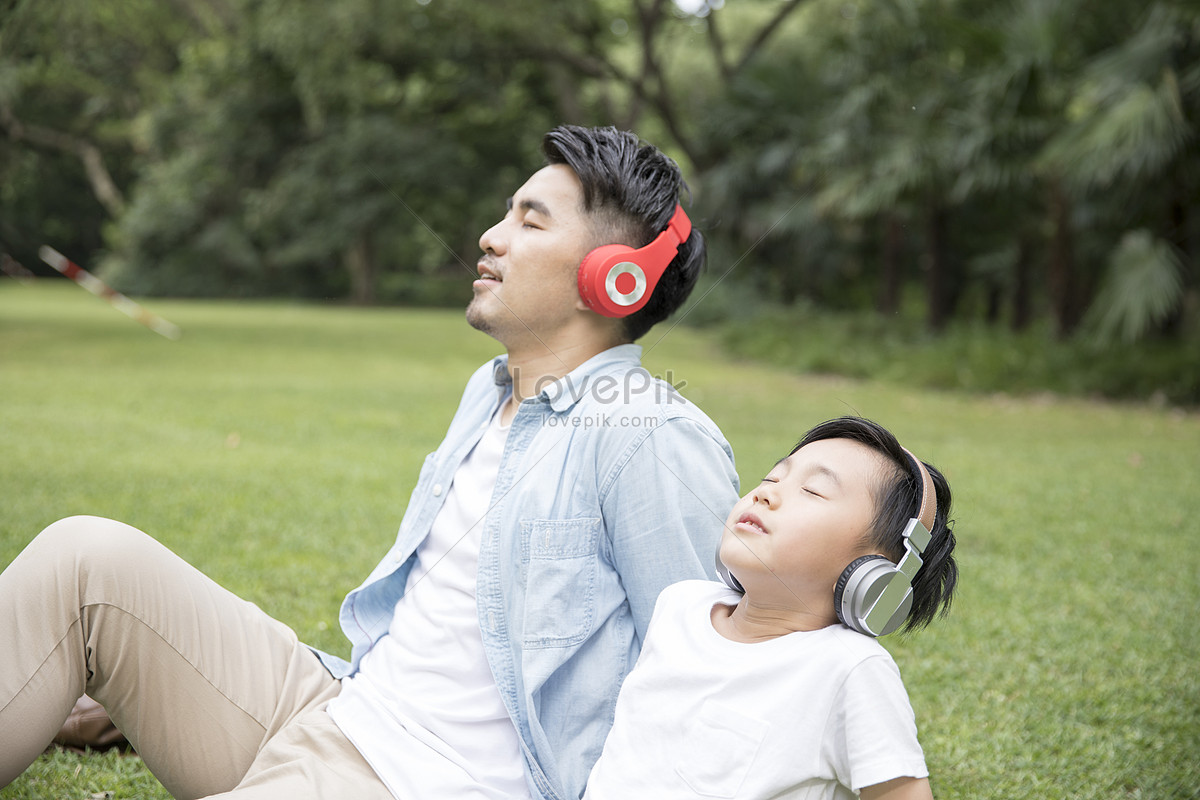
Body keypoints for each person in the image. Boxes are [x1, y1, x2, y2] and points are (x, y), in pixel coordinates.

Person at [0, 125, 740, 800]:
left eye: (530, 220)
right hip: (336, 705)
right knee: (85, 558)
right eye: (506, 212)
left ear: (615, 276)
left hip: (413, 780)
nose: (490, 236)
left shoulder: (651, 435)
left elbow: (706, 687)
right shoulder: (491, 393)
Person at [583, 416, 959, 800]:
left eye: (813, 491)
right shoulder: (680, 605)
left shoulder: (848, 669)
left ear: (876, 575)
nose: (765, 494)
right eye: (772, 478)